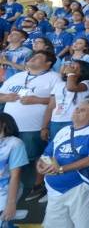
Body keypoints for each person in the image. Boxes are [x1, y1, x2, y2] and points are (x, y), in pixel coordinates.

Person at [0, 50, 61, 202]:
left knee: (41, 156)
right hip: (8, 127)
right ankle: (10, 188)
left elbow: (61, 100)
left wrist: (38, 100)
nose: (32, 58)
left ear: (48, 64)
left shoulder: (54, 77)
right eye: (32, 56)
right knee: (9, 158)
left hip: (35, 126)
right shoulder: (17, 76)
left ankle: (41, 186)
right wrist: (6, 97)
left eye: (38, 57)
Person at [37, 99, 89, 228]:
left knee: (85, 224)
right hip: (54, 189)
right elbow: (47, 154)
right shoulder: (63, 131)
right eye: (77, 108)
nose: (78, 111)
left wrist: (62, 169)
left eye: (83, 110)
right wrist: (41, 166)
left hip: (79, 186)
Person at [42, 59, 89, 141]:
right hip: (55, 120)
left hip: (74, 119)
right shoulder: (59, 84)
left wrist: (70, 73)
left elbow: (71, 87)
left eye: (73, 67)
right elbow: (51, 106)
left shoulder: (88, 83)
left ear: (82, 71)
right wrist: (44, 127)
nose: (69, 67)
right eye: (70, 65)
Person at [0, 113, 28, 228]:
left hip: (5, 190)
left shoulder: (15, 143)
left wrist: (11, 204)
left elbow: (15, 176)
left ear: (4, 124)